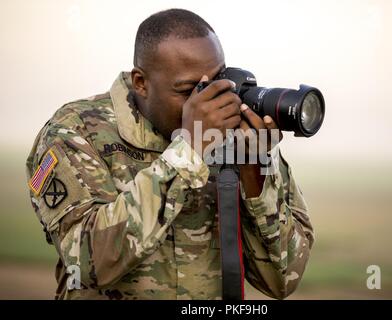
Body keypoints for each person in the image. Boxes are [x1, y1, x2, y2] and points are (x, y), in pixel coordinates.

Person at [25, 8, 314, 300]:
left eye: (217, 82)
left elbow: (283, 280)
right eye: (190, 90)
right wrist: (189, 151)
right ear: (141, 82)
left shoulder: (232, 134)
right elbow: (88, 262)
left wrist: (255, 170)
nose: (207, 103)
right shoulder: (76, 131)